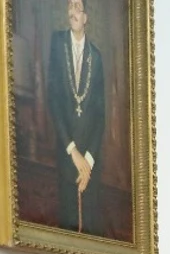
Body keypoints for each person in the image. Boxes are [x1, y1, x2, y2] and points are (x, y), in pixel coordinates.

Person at [47, 0, 108, 235]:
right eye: (70, 7)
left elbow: (100, 116)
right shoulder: (57, 43)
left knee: (90, 226)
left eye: (78, 8)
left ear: (86, 18)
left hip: (90, 158)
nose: (73, 11)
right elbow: (53, 100)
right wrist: (73, 151)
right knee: (68, 222)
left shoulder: (97, 57)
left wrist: (88, 162)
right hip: (67, 150)